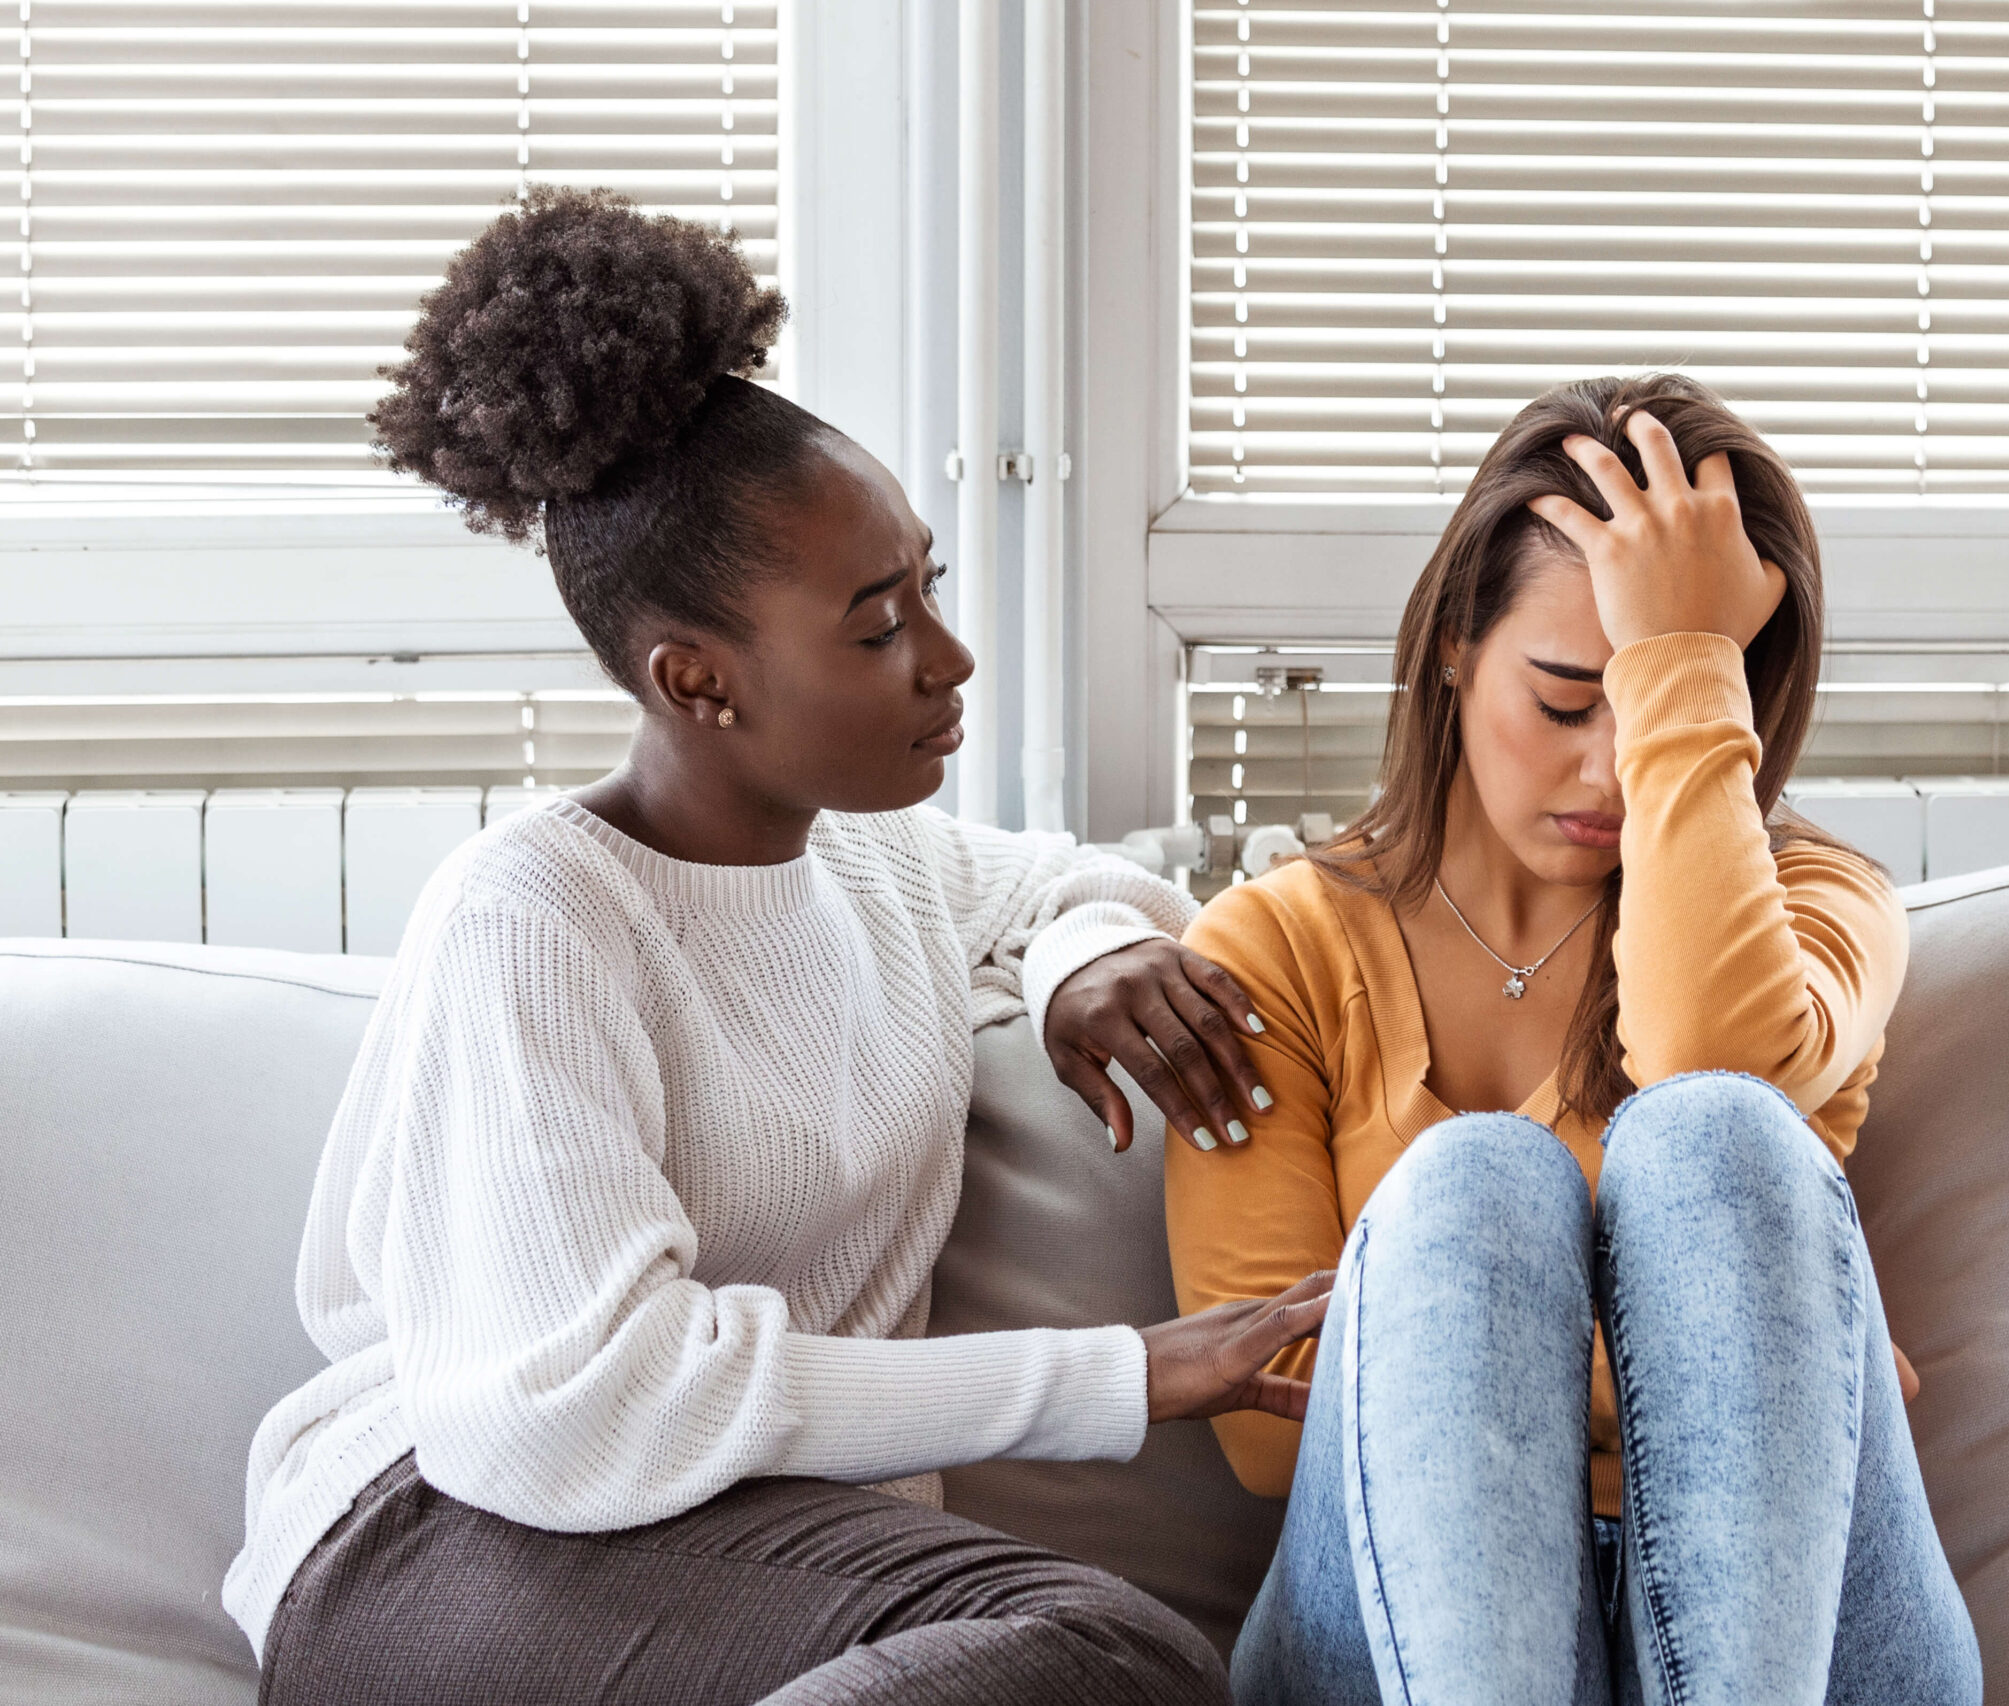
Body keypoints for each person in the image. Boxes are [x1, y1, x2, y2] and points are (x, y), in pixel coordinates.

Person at [223, 187, 1327, 1706]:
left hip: (757, 1555)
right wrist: (1124, 1373)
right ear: (700, 681)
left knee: (1129, 1661)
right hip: (438, 1541)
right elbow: (582, 1410)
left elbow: (1072, 884)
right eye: (877, 627)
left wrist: (1079, 956)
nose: (949, 659)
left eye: (928, 586)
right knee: (1114, 1653)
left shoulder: (877, 861)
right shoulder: (534, 917)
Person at [1164, 375, 1982, 1703]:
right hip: (1409, 1615)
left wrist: (1684, 673)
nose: (1610, 768)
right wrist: (1773, 1360)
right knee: (1474, 1186)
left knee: (1715, 1131)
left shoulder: (1818, 909)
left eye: (1661, 694)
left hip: (1789, 1631)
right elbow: (1271, 1414)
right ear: (1450, 650)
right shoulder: (1278, 947)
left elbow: (1711, 1064)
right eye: (1563, 698)